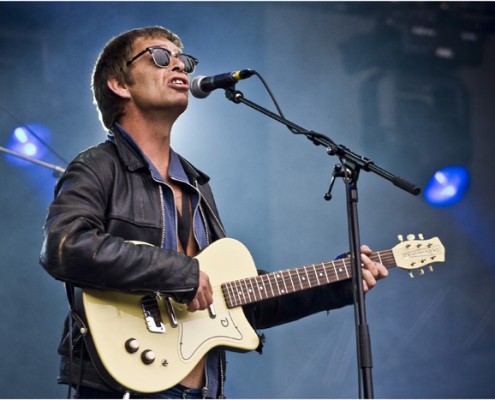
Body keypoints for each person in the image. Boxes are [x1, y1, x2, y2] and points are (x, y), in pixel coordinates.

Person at [40, 26, 388, 399]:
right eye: (160, 57)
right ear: (119, 85)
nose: (179, 66)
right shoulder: (97, 166)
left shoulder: (195, 184)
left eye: (183, 60)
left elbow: (231, 302)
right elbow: (65, 246)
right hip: (123, 387)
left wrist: (335, 284)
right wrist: (181, 272)